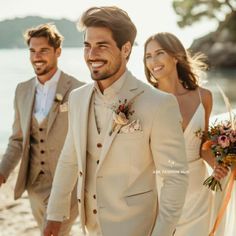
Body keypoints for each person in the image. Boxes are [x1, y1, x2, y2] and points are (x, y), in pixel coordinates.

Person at [44, 7, 188, 236]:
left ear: (126, 49)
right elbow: (69, 158)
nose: (91, 55)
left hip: (137, 227)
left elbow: (175, 179)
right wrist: (54, 214)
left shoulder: (158, 104)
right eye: (87, 46)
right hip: (90, 228)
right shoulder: (78, 98)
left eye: (102, 46)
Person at [0, 23, 84, 235]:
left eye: (44, 50)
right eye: (32, 51)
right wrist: (2, 173)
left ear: (58, 52)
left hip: (68, 185)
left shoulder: (78, 89)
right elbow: (17, 140)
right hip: (34, 186)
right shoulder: (22, 90)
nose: (37, 57)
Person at [143, 32, 229, 236]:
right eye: (148, 56)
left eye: (159, 53)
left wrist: (216, 164)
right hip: (159, 188)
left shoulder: (204, 97)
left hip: (197, 191)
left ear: (176, 56)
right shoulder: (145, 99)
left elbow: (203, 145)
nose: (152, 61)